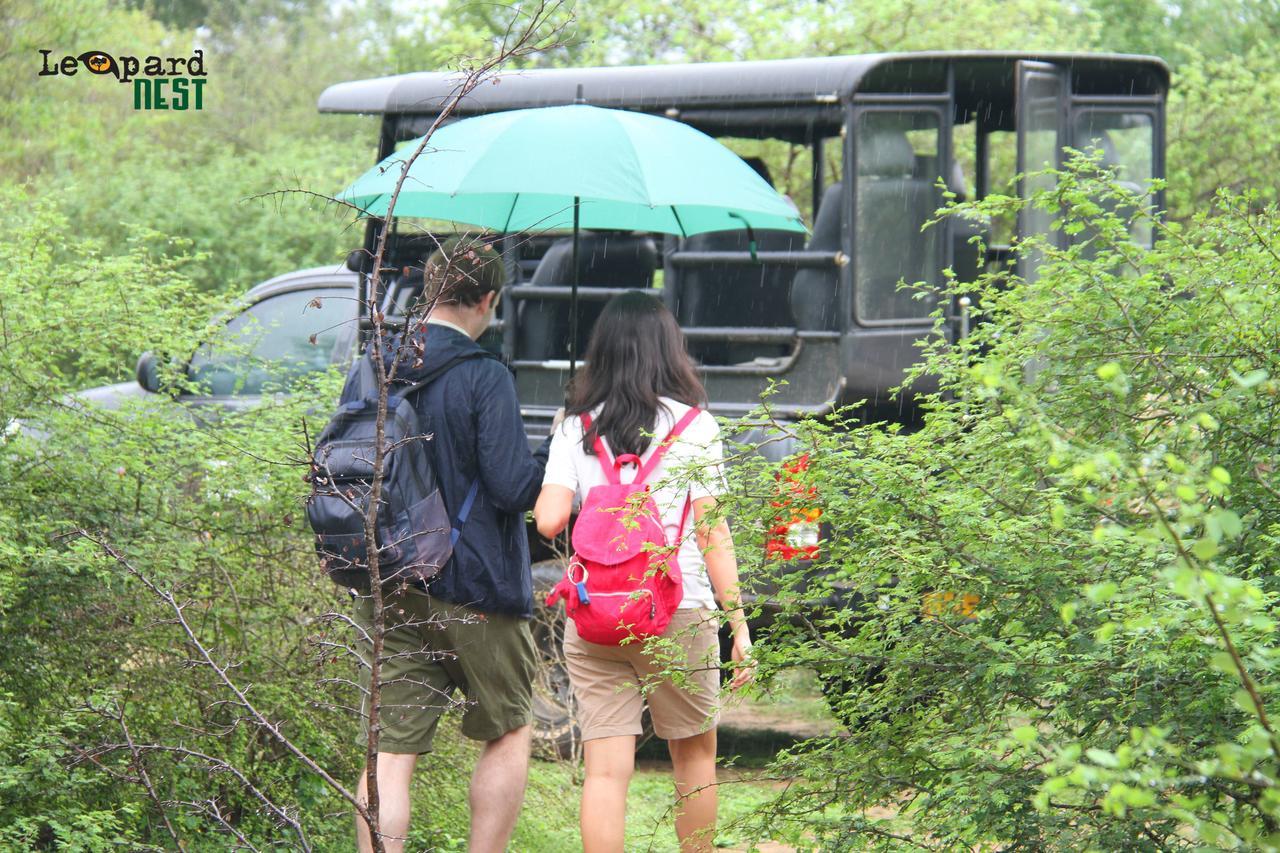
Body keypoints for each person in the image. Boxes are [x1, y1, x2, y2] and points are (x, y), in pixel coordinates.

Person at [533, 291, 754, 853]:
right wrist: (739, 625)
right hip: (677, 611)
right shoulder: (697, 427)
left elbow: (549, 521)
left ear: (601, 352)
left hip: (597, 615)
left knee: (607, 770)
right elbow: (713, 534)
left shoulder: (574, 426)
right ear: (668, 351)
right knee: (695, 757)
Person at [352, 237, 549, 853]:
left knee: (389, 754)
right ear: (488, 298)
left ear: (427, 291)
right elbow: (513, 486)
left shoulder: (375, 362)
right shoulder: (483, 374)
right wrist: (557, 450)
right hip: (474, 586)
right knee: (510, 729)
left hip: (390, 578)